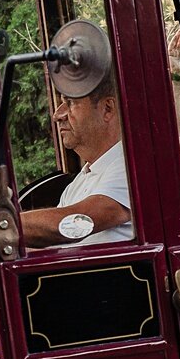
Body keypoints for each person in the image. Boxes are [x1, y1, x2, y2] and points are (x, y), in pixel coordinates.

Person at [22, 61, 132, 246]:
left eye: (70, 102)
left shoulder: (130, 167)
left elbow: (73, 223)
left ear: (108, 109)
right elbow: (50, 244)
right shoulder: (80, 182)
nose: (57, 115)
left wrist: (2, 225)